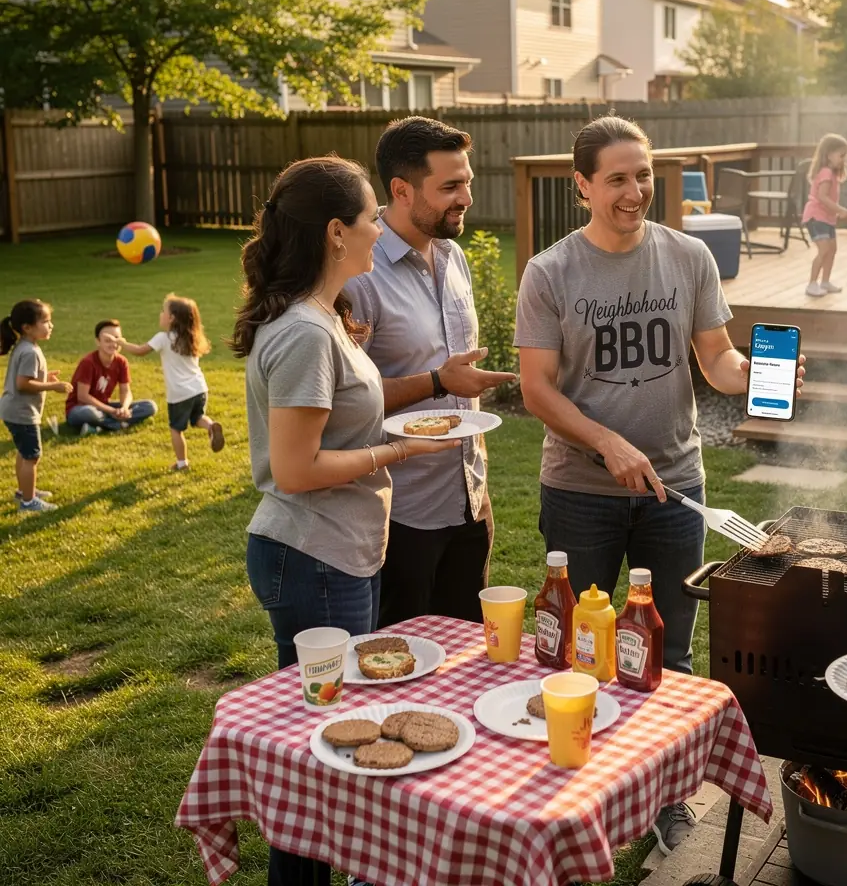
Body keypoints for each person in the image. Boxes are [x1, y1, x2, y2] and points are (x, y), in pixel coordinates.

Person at [514, 115, 804, 856]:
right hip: (580, 493)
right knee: (581, 653)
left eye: (642, 174)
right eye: (616, 177)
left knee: (667, 657)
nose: (635, 190)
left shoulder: (688, 257)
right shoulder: (551, 272)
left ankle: (669, 801)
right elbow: (538, 390)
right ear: (581, 185)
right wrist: (607, 441)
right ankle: (578, 795)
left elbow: (717, 362)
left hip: (674, 488)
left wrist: (763, 378)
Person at [231, 153, 470, 886]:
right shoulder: (306, 331)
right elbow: (296, 470)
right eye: (370, 217)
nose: (379, 229)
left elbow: (323, 418)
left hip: (333, 553)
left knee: (328, 738)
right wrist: (390, 453)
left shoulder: (321, 322)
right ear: (337, 232)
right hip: (315, 559)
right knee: (326, 743)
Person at [348, 116, 516, 628]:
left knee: (466, 657)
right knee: (402, 662)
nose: (466, 197)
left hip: (469, 496)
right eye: (450, 186)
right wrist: (439, 381)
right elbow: (347, 400)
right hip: (401, 511)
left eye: (467, 182)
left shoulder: (453, 255)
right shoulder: (359, 273)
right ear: (401, 190)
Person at [120, 294, 225, 470]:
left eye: (163, 311)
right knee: (197, 417)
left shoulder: (163, 338)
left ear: (171, 318)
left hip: (179, 393)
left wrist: (122, 343)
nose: (160, 314)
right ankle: (211, 426)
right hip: (199, 389)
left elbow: (140, 351)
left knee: (176, 429)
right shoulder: (193, 338)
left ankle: (182, 463)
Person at [1, 299, 72, 513]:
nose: (51, 326)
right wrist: (53, 385)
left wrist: (44, 376)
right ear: (27, 327)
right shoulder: (30, 351)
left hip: (13, 410)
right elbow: (23, 384)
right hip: (22, 412)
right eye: (45, 321)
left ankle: (25, 491)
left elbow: (26, 377)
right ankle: (28, 502)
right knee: (32, 455)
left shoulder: (26, 346)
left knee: (24, 453)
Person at [65, 320, 158, 435]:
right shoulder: (88, 362)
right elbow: (83, 397)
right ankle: (120, 424)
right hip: (80, 408)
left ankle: (100, 427)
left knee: (150, 406)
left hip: (104, 406)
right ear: (98, 342)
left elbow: (125, 391)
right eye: (108, 340)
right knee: (88, 413)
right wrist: (112, 411)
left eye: (116, 339)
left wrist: (124, 408)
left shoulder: (121, 361)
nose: (113, 344)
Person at [801, 133, 847, 297]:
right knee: (824, 250)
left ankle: (825, 282)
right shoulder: (825, 173)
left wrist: (837, 212)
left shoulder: (831, 173)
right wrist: (841, 210)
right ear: (829, 154)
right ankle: (811, 284)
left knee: (832, 249)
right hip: (816, 217)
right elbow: (822, 197)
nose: (843, 159)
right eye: (841, 155)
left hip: (827, 218)